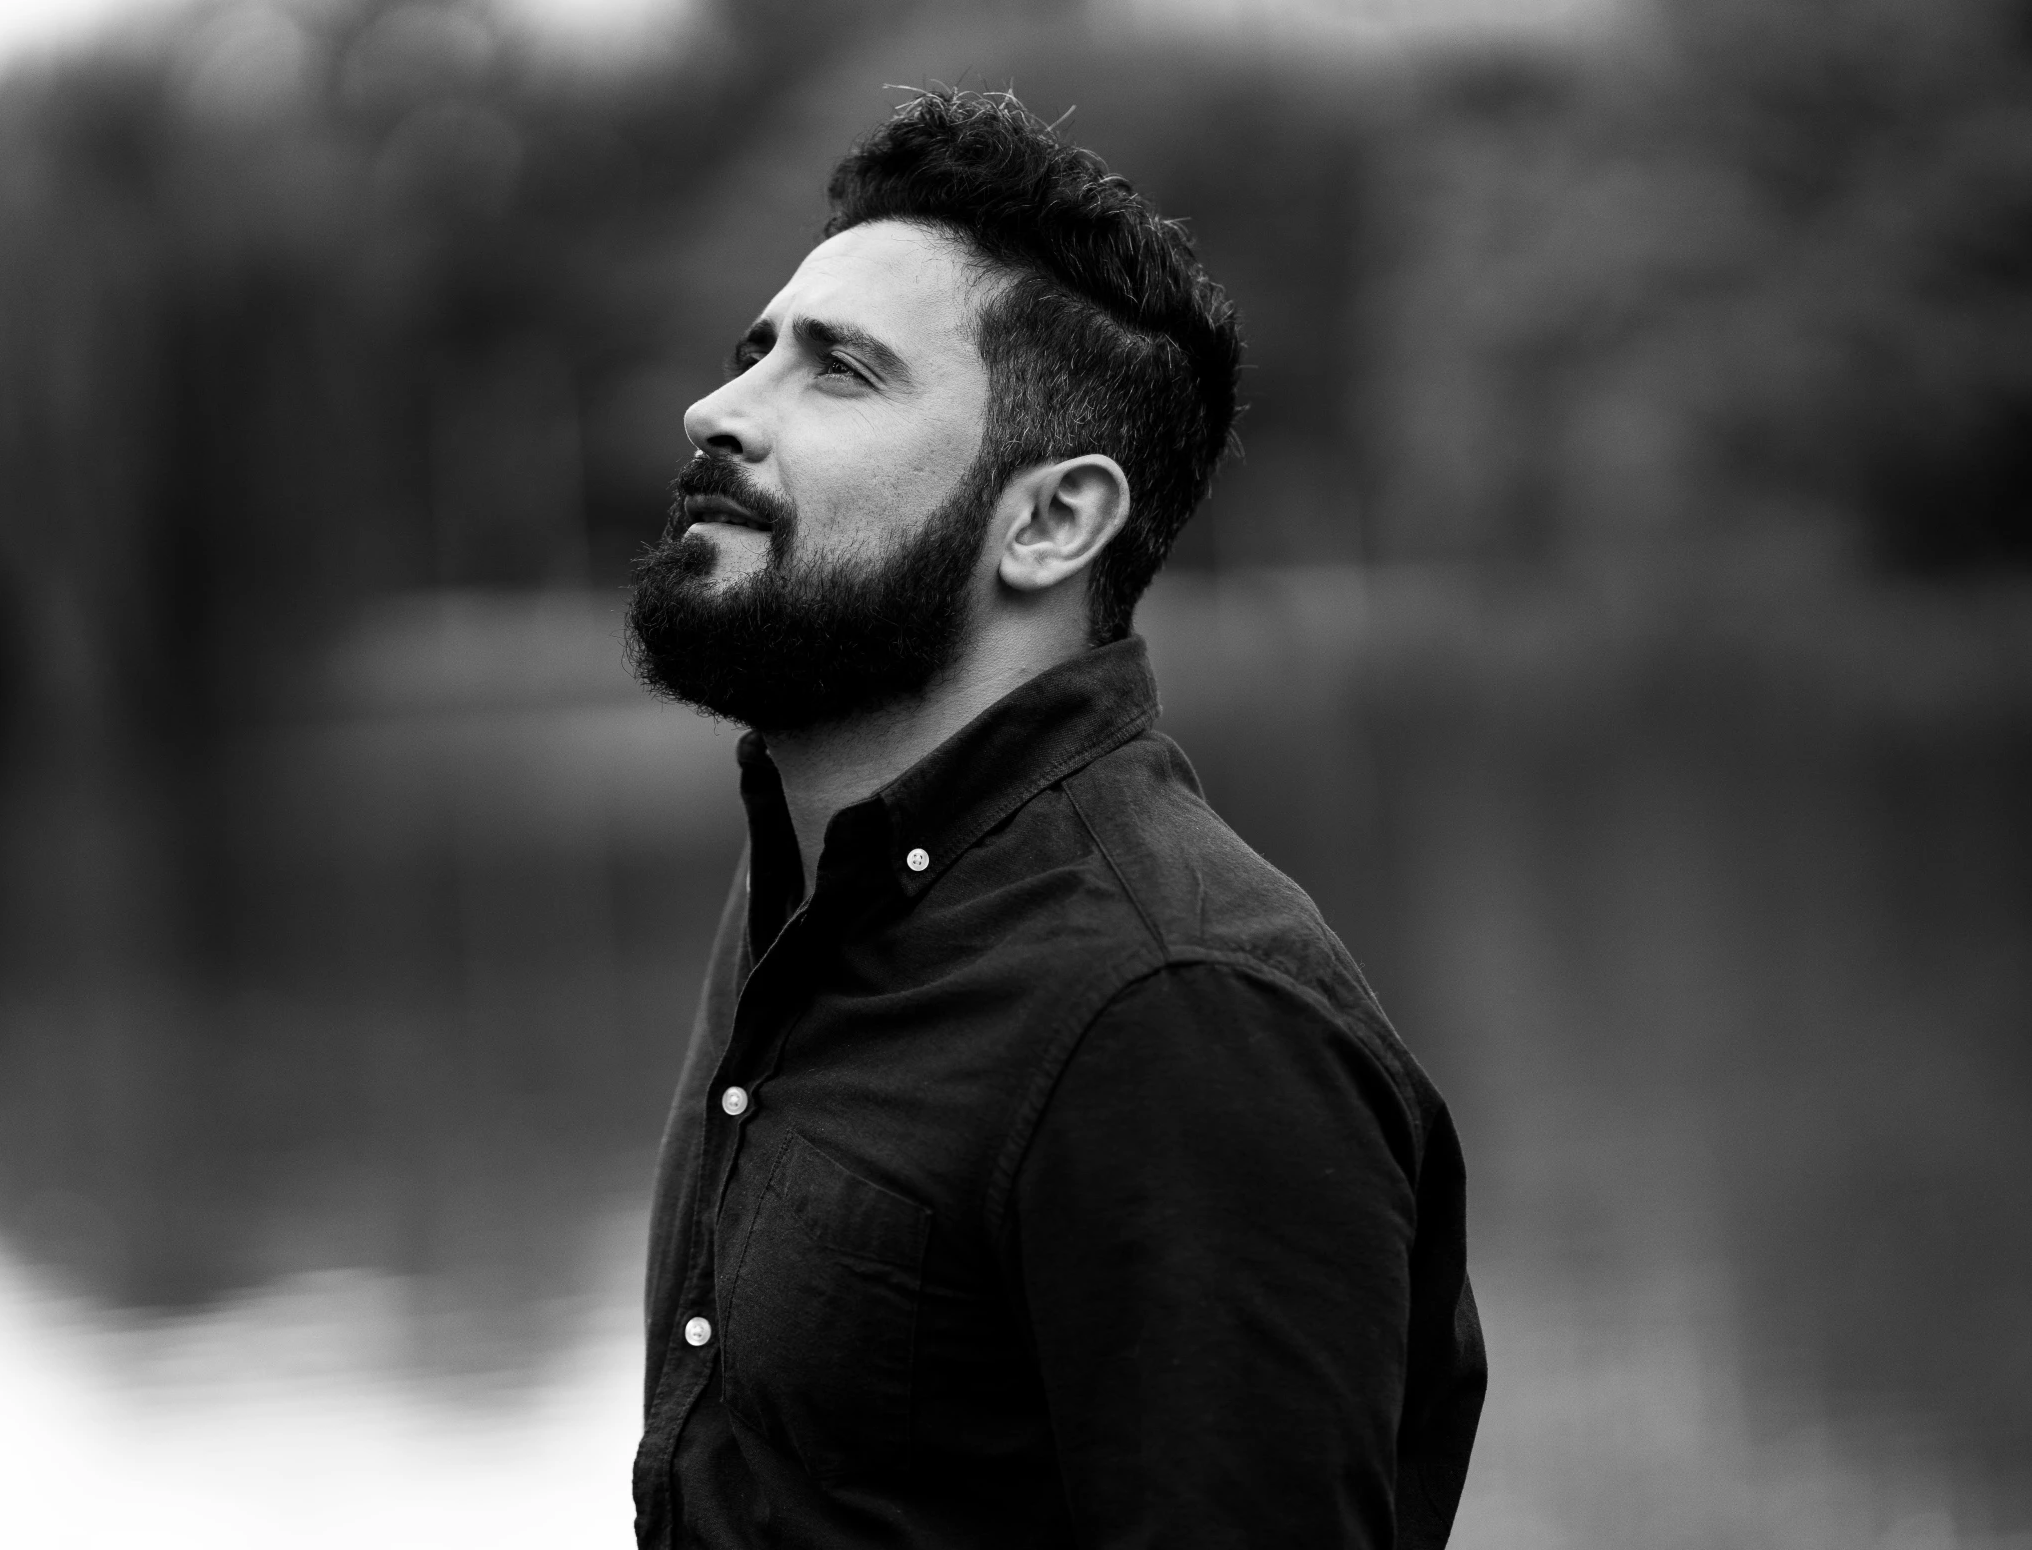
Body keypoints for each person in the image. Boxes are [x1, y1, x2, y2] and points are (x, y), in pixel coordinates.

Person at [625, 88, 1484, 1550]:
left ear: (1049, 522)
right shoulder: (812, 889)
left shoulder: (1178, 1011)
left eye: (837, 371)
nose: (722, 408)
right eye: (753, 350)